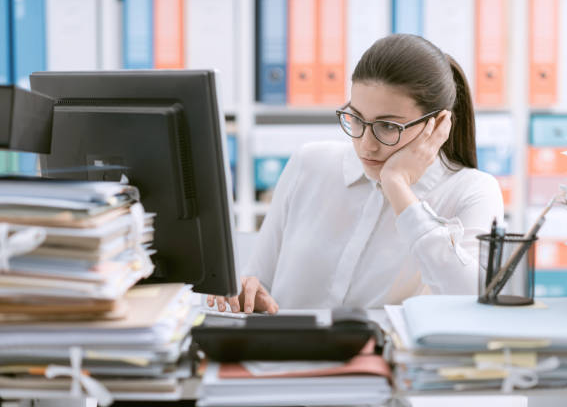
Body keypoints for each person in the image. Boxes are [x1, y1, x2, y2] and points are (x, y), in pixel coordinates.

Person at [208, 34, 504, 314]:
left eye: (389, 126)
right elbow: (259, 280)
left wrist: (397, 186)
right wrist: (248, 291)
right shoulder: (308, 163)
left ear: (439, 125)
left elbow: (472, 300)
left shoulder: (472, 190)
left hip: (380, 364)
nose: (367, 144)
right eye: (357, 119)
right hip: (285, 358)